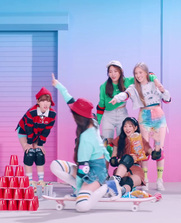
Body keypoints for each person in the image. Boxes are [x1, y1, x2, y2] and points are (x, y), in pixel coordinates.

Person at [50, 74, 121, 212]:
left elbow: (83, 170)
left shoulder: (86, 138)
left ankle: (107, 185)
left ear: (78, 117)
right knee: (55, 165)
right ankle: (85, 189)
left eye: (74, 113)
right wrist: (58, 85)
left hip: (96, 173)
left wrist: (79, 189)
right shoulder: (91, 121)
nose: (72, 113)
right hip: (89, 167)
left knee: (81, 206)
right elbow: (70, 101)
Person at [110, 62, 171, 191]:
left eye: (140, 73)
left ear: (146, 73)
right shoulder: (133, 87)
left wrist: (162, 89)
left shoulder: (154, 84)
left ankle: (160, 179)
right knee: (143, 149)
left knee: (159, 150)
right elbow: (125, 95)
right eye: (136, 73)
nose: (138, 76)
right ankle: (146, 179)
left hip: (158, 116)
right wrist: (117, 98)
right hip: (144, 116)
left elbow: (167, 98)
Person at [97, 60, 158, 159]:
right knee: (107, 145)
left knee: (124, 142)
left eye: (115, 71)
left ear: (121, 71)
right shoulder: (104, 86)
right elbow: (100, 106)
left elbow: (147, 75)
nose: (113, 74)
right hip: (108, 116)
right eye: (110, 71)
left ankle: (122, 170)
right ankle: (105, 172)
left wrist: (156, 80)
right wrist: (97, 123)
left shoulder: (127, 81)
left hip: (122, 113)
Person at [16, 87, 56, 190]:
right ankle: (29, 181)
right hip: (24, 132)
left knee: (39, 152)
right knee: (29, 152)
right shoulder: (32, 112)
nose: (45, 103)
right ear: (38, 102)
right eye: (43, 101)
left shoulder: (52, 114)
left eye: (48, 101)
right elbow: (29, 129)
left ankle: (40, 181)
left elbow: (46, 130)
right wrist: (29, 143)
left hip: (37, 133)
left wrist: (40, 144)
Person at [108, 117, 152, 195]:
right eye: (125, 126)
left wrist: (158, 146)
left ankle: (122, 190)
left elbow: (152, 153)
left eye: (130, 126)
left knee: (133, 180)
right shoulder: (119, 139)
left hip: (136, 169)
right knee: (128, 158)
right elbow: (113, 160)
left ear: (135, 128)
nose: (127, 128)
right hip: (122, 169)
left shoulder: (140, 139)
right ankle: (116, 180)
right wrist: (120, 160)